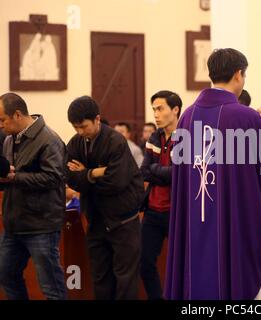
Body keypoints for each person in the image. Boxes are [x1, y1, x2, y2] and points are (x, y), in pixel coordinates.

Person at [164, 48, 261, 300]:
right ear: (238, 74)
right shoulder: (244, 116)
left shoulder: (187, 116)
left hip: (194, 220)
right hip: (233, 224)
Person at [66, 96, 144, 300]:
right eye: (76, 128)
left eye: (83, 126)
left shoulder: (116, 141)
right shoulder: (75, 143)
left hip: (123, 221)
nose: (80, 132)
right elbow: (70, 178)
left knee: (125, 279)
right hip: (96, 220)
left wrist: (85, 175)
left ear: (97, 119)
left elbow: (116, 182)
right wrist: (94, 173)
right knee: (100, 278)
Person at [0, 92, 67, 300]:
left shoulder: (50, 139)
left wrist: (15, 177)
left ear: (17, 115)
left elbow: (54, 178)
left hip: (41, 225)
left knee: (51, 287)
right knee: (6, 274)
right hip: (14, 224)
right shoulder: (9, 140)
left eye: (2, 119)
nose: (0, 125)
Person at [140, 90, 181, 300]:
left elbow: (179, 174)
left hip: (177, 213)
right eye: (154, 109)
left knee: (182, 265)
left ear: (175, 110)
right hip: (153, 211)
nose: (156, 114)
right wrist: (161, 171)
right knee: (143, 262)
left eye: (160, 109)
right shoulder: (154, 137)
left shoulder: (187, 136)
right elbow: (144, 171)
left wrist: (156, 170)